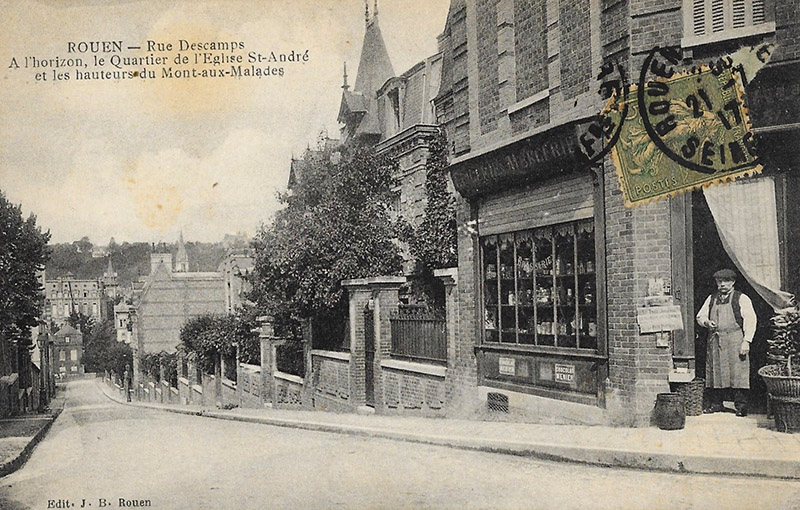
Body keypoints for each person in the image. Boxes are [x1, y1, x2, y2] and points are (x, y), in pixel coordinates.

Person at [696, 268, 757, 416]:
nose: (722, 284)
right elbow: (700, 316)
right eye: (719, 281)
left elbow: (751, 319)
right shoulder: (711, 298)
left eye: (726, 281)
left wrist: (746, 341)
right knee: (715, 371)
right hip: (716, 339)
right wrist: (706, 322)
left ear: (733, 282)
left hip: (735, 339)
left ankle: (741, 406)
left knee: (738, 373)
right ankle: (717, 404)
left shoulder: (741, 298)